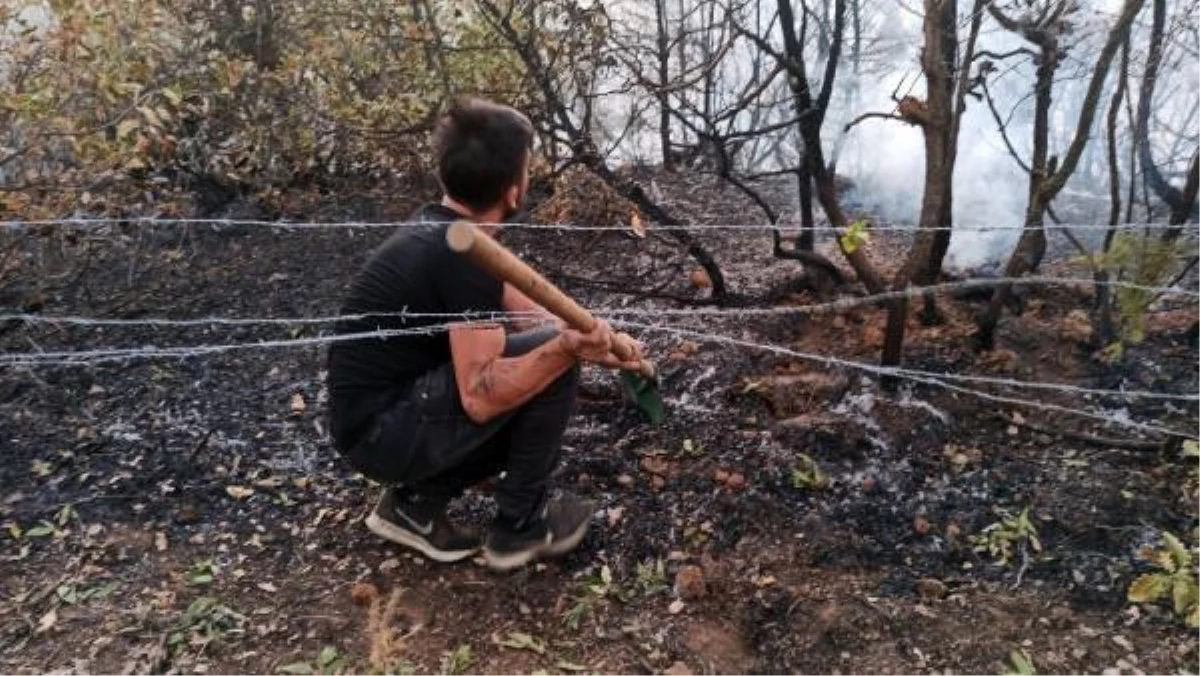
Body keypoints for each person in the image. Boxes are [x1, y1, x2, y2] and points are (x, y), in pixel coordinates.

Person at [325, 98, 646, 571]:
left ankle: (414, 506)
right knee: (548, 367)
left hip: (374, 423)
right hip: (380, 433)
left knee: (543, 356)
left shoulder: (445, 229)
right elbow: (480, 394)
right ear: (514, 191)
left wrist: (603, 343)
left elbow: (530, 312)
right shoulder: (460, 254)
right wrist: (566, 350)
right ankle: (519, 528)